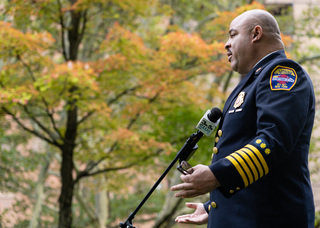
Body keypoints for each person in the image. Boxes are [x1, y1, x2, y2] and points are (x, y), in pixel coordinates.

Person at [171, 9, 315, 228]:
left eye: (233, 34)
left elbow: (272, 143)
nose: (226, 44)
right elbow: (245, 158)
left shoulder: (281, 73)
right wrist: (213, 206)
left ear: (256, 34)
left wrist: (216, 174)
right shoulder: (252, 83)